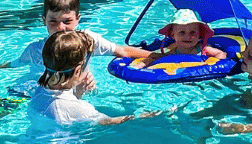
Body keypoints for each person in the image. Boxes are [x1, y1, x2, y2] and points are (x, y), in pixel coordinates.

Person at [0, 0, 150, 122]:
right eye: (53, 22)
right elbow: (13, 64)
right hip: (33, 91)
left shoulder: (88, 40)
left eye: (67, 21)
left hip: (70, 90)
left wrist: (161, 56)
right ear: (44, 20)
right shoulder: (35, 50)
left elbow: (122, 50)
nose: (60, 28)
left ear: (78, 19)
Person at [28, 31, 159, 128]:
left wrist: (78, 90)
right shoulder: (77, 108)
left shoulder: (41, 88)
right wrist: (148, 115)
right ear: (78, 71)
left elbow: (64, 109)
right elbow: (109, 122)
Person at [135, 8, 226, 68]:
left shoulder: (203, 49)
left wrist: (211, 64)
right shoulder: (174, 52)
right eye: (182, 32)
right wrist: (145, 63)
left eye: (193, 32)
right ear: (173, 36)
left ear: (200, 36)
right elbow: (160, 59)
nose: (187, 36)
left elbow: (221, 54)